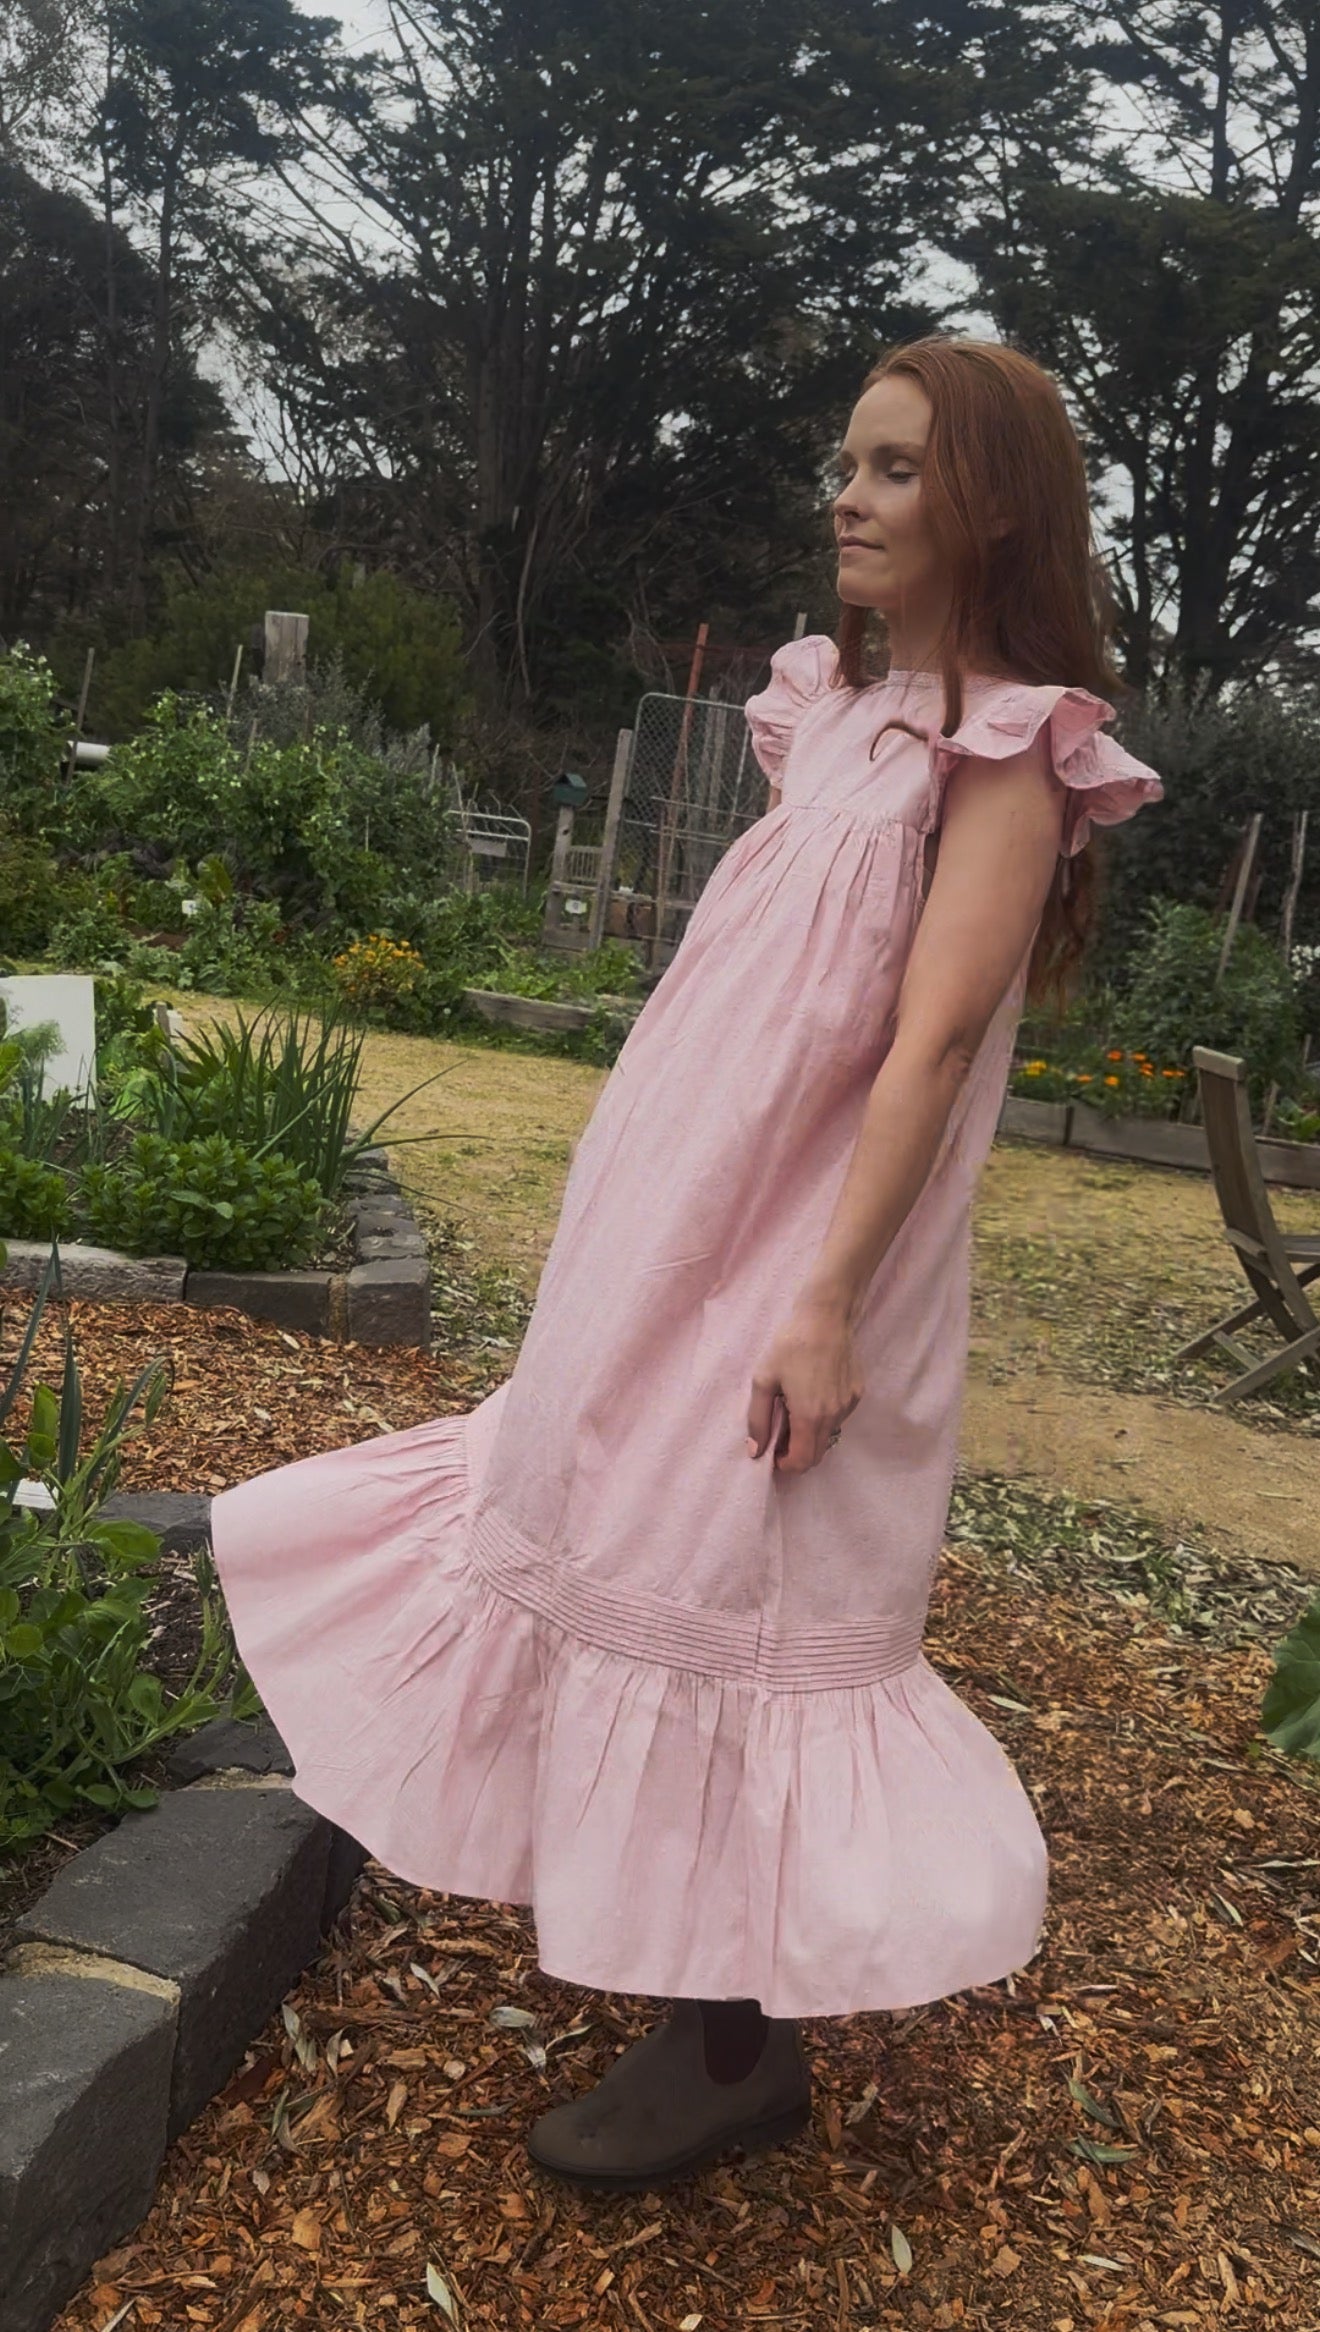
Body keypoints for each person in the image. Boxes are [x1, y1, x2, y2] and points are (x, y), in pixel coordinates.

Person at [210, 336, 1164, 2194]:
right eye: (849, 463)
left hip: (804, 1258)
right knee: (605, 1523)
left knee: (728, 1576)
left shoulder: (1005, 751)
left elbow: (931, 1046)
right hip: (682, 1223)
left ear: (991, 507)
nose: (849, 497)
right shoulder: (841, 714)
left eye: (896, 469)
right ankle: (677, 1972)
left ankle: (734, 2049)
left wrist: (824, 1302)